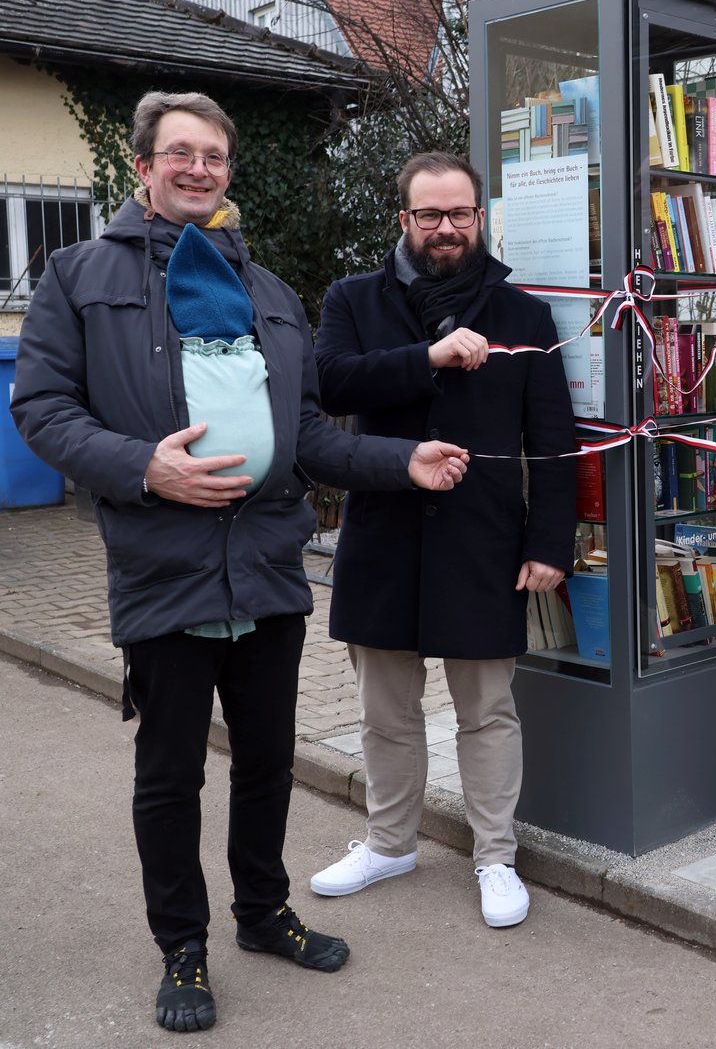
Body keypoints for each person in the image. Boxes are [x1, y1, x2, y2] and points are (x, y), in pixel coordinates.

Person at [9, 92, 471, 1034]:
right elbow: (43, 409)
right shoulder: (78, 275)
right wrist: (145, 468)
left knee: (266, 763)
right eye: (179, 152)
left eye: (215, 155)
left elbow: (302, 436)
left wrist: (401, 462)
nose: (198, 168)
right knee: (172, 773)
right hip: (163, 572)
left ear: (228, 170)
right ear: (143, 166)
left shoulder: (268, 293)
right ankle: (182, 944)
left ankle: (261, 913)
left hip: (266, 568)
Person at [309, 152, 576, 928]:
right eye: (430, 215)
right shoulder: (353, 299)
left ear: (480, 217)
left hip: (485, 540)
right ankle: (390, 842)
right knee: (384, 713)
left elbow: (551, 439)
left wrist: (549, 542)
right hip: (383, 536)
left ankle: (497, 854)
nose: (447, 228)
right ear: (404, 221)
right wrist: (429, 356)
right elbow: (331, 384)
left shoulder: (523, 313)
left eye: (460, 213)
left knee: (488, 712)